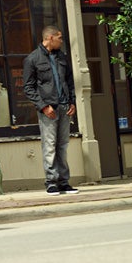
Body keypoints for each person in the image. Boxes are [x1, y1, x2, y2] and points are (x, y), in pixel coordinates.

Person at [22, 25, 78, 195]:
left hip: (64, 107)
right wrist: (43, 106)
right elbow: (28, 88)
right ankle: (51, 182)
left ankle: (64, 182)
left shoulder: (62, 58)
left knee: (63, 145)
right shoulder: (33, 59)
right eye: (59, 38)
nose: (62, 41)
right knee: (49, 146)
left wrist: (72, 102)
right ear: (50, 38)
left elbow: (70, 82)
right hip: (49, 109)